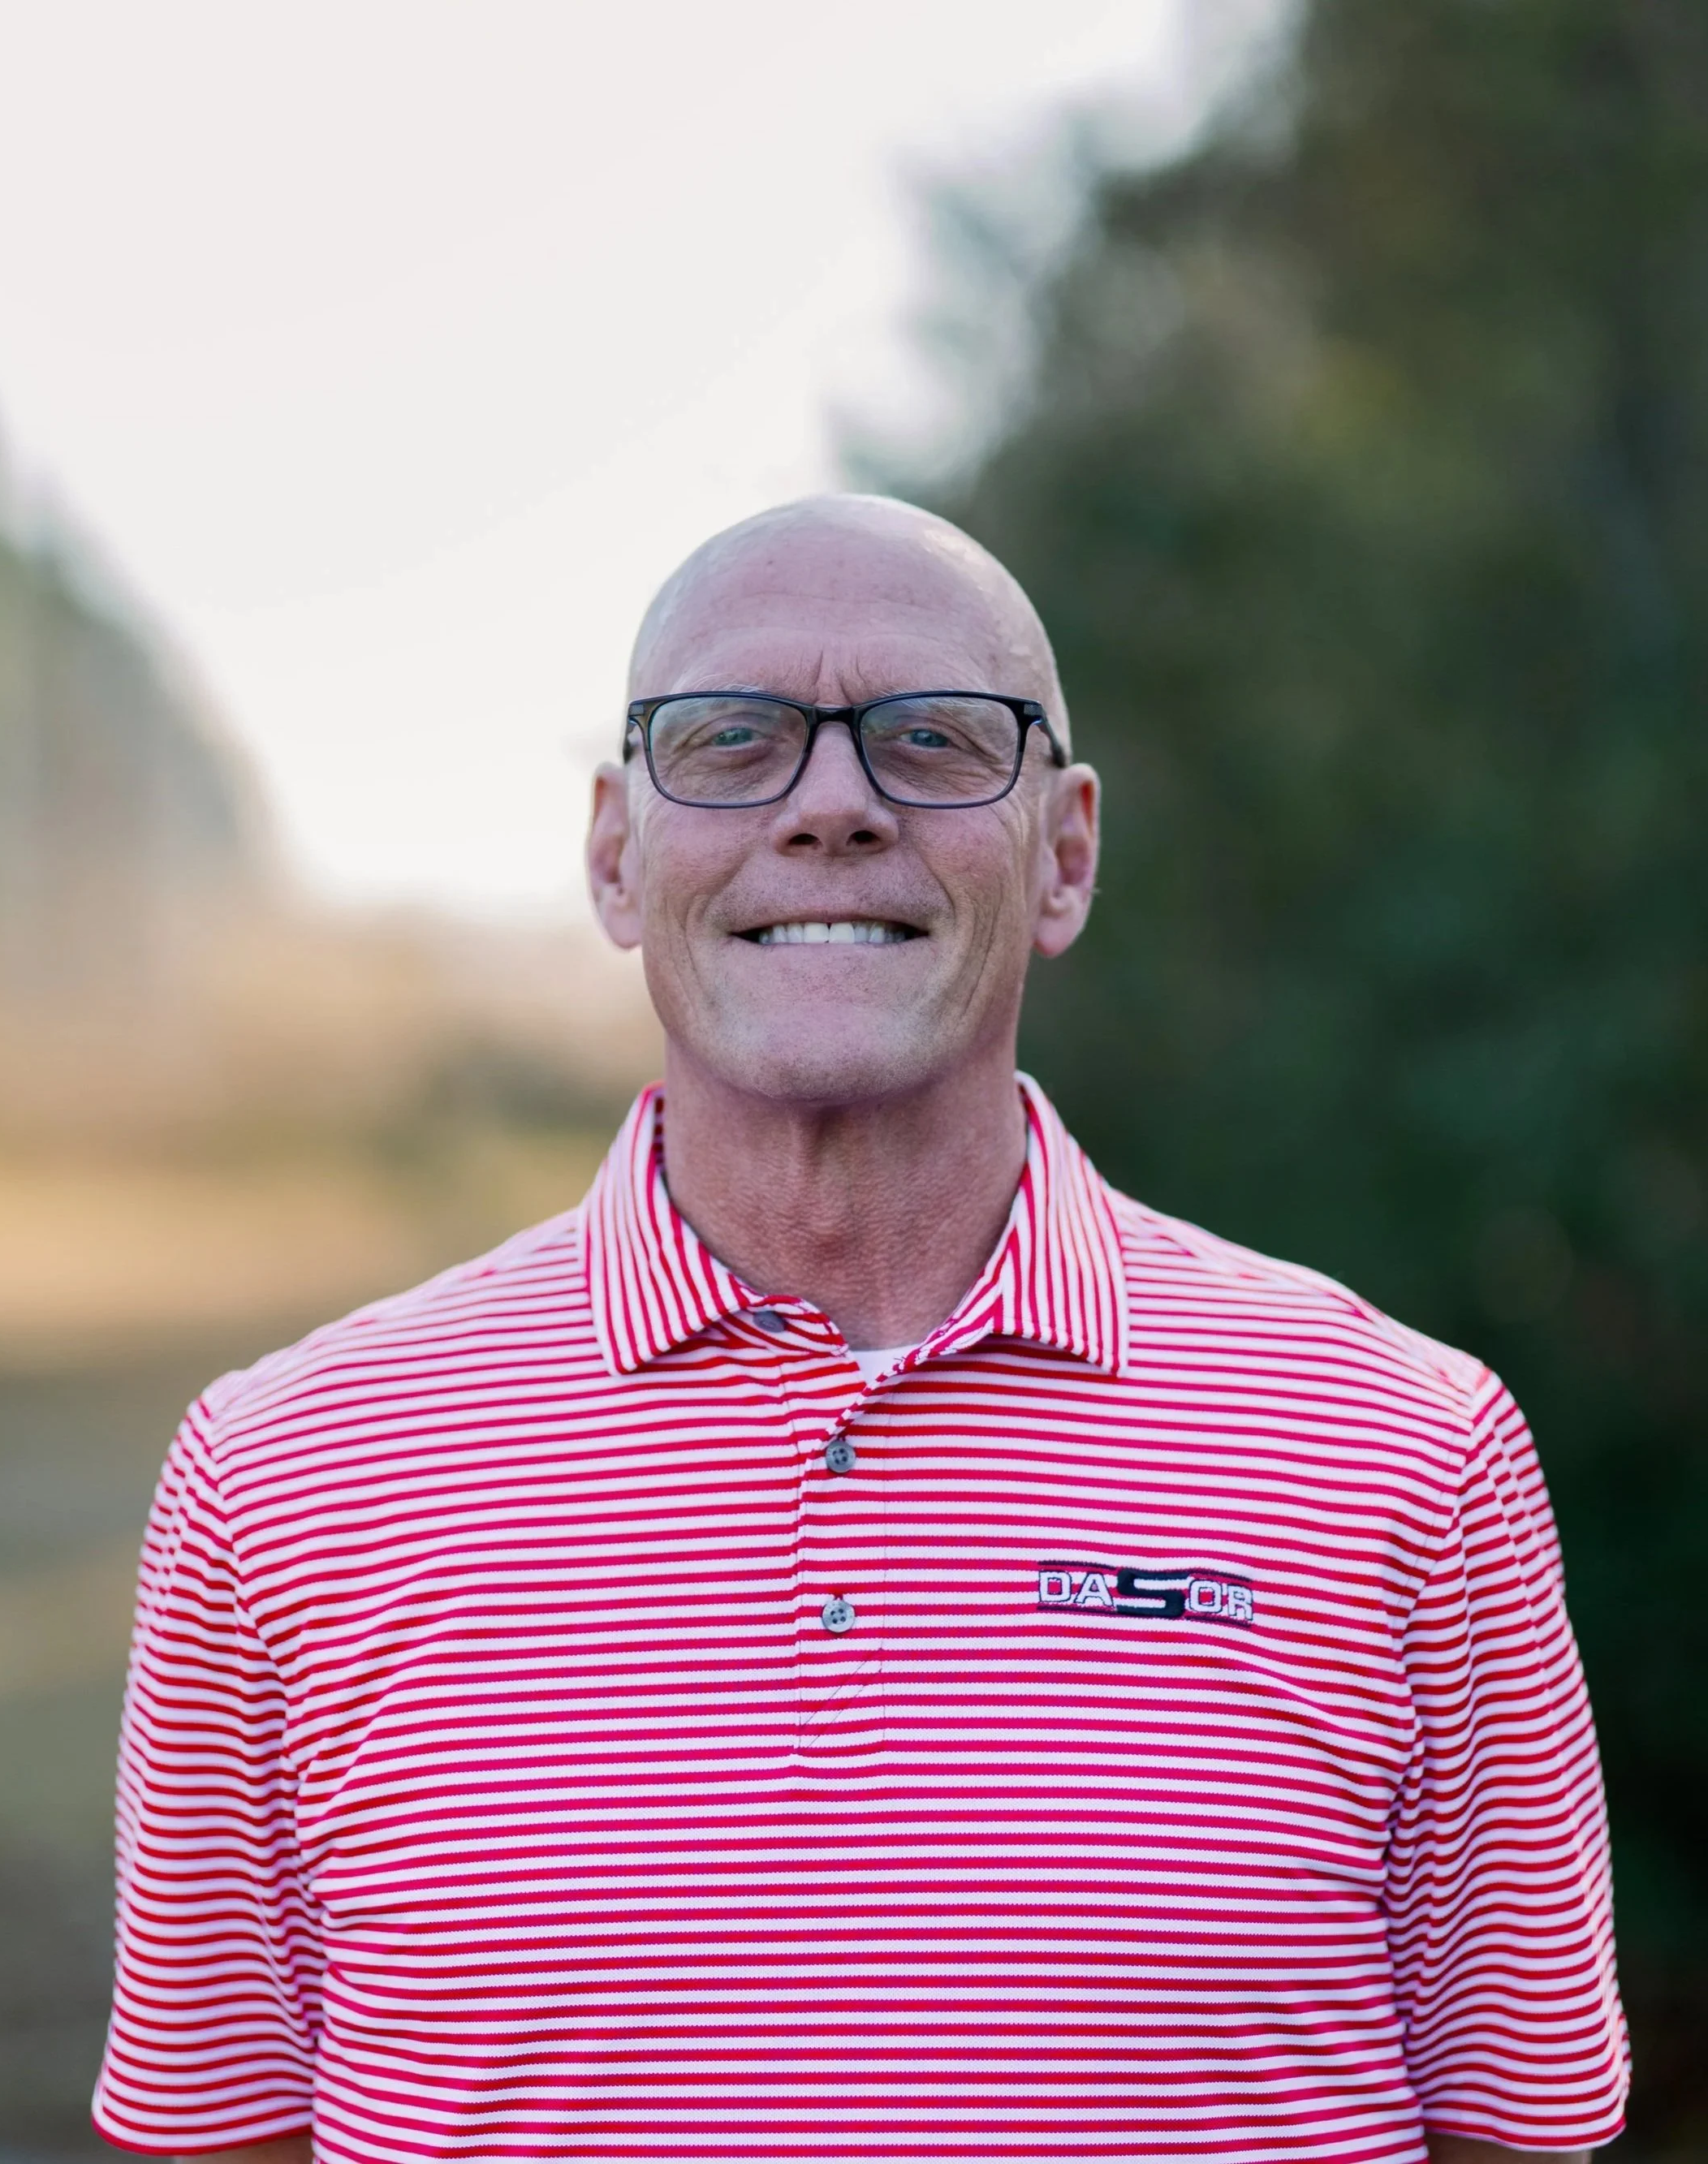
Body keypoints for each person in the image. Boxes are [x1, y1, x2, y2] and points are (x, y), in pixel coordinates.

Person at [93, 496, 1627, 2162]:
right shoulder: (282, 1480)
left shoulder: (1410, 1452)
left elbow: (1521, 2131)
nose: (832, 804)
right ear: (615, 852)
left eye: (936, 738)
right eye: (730, 741)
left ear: (1067, 853)